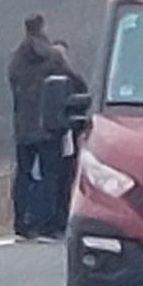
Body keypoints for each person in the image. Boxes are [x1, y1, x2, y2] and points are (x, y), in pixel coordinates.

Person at [7, 14, 66, 241]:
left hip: (23, 125)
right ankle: (45, 224)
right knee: (50, 175)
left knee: (23, 173)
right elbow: (73, 81)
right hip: (50, 124)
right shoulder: (54, 57)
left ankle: (21, 223)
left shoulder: (16, 60)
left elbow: (14, 87)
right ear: (43, 27)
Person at [50, 40, 88, 238]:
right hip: (54, 134)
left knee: (65, 178)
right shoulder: (44, 78)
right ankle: (55, 219)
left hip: (68, 136)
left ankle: (61, 218)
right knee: (58, 178)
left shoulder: (74, 80)